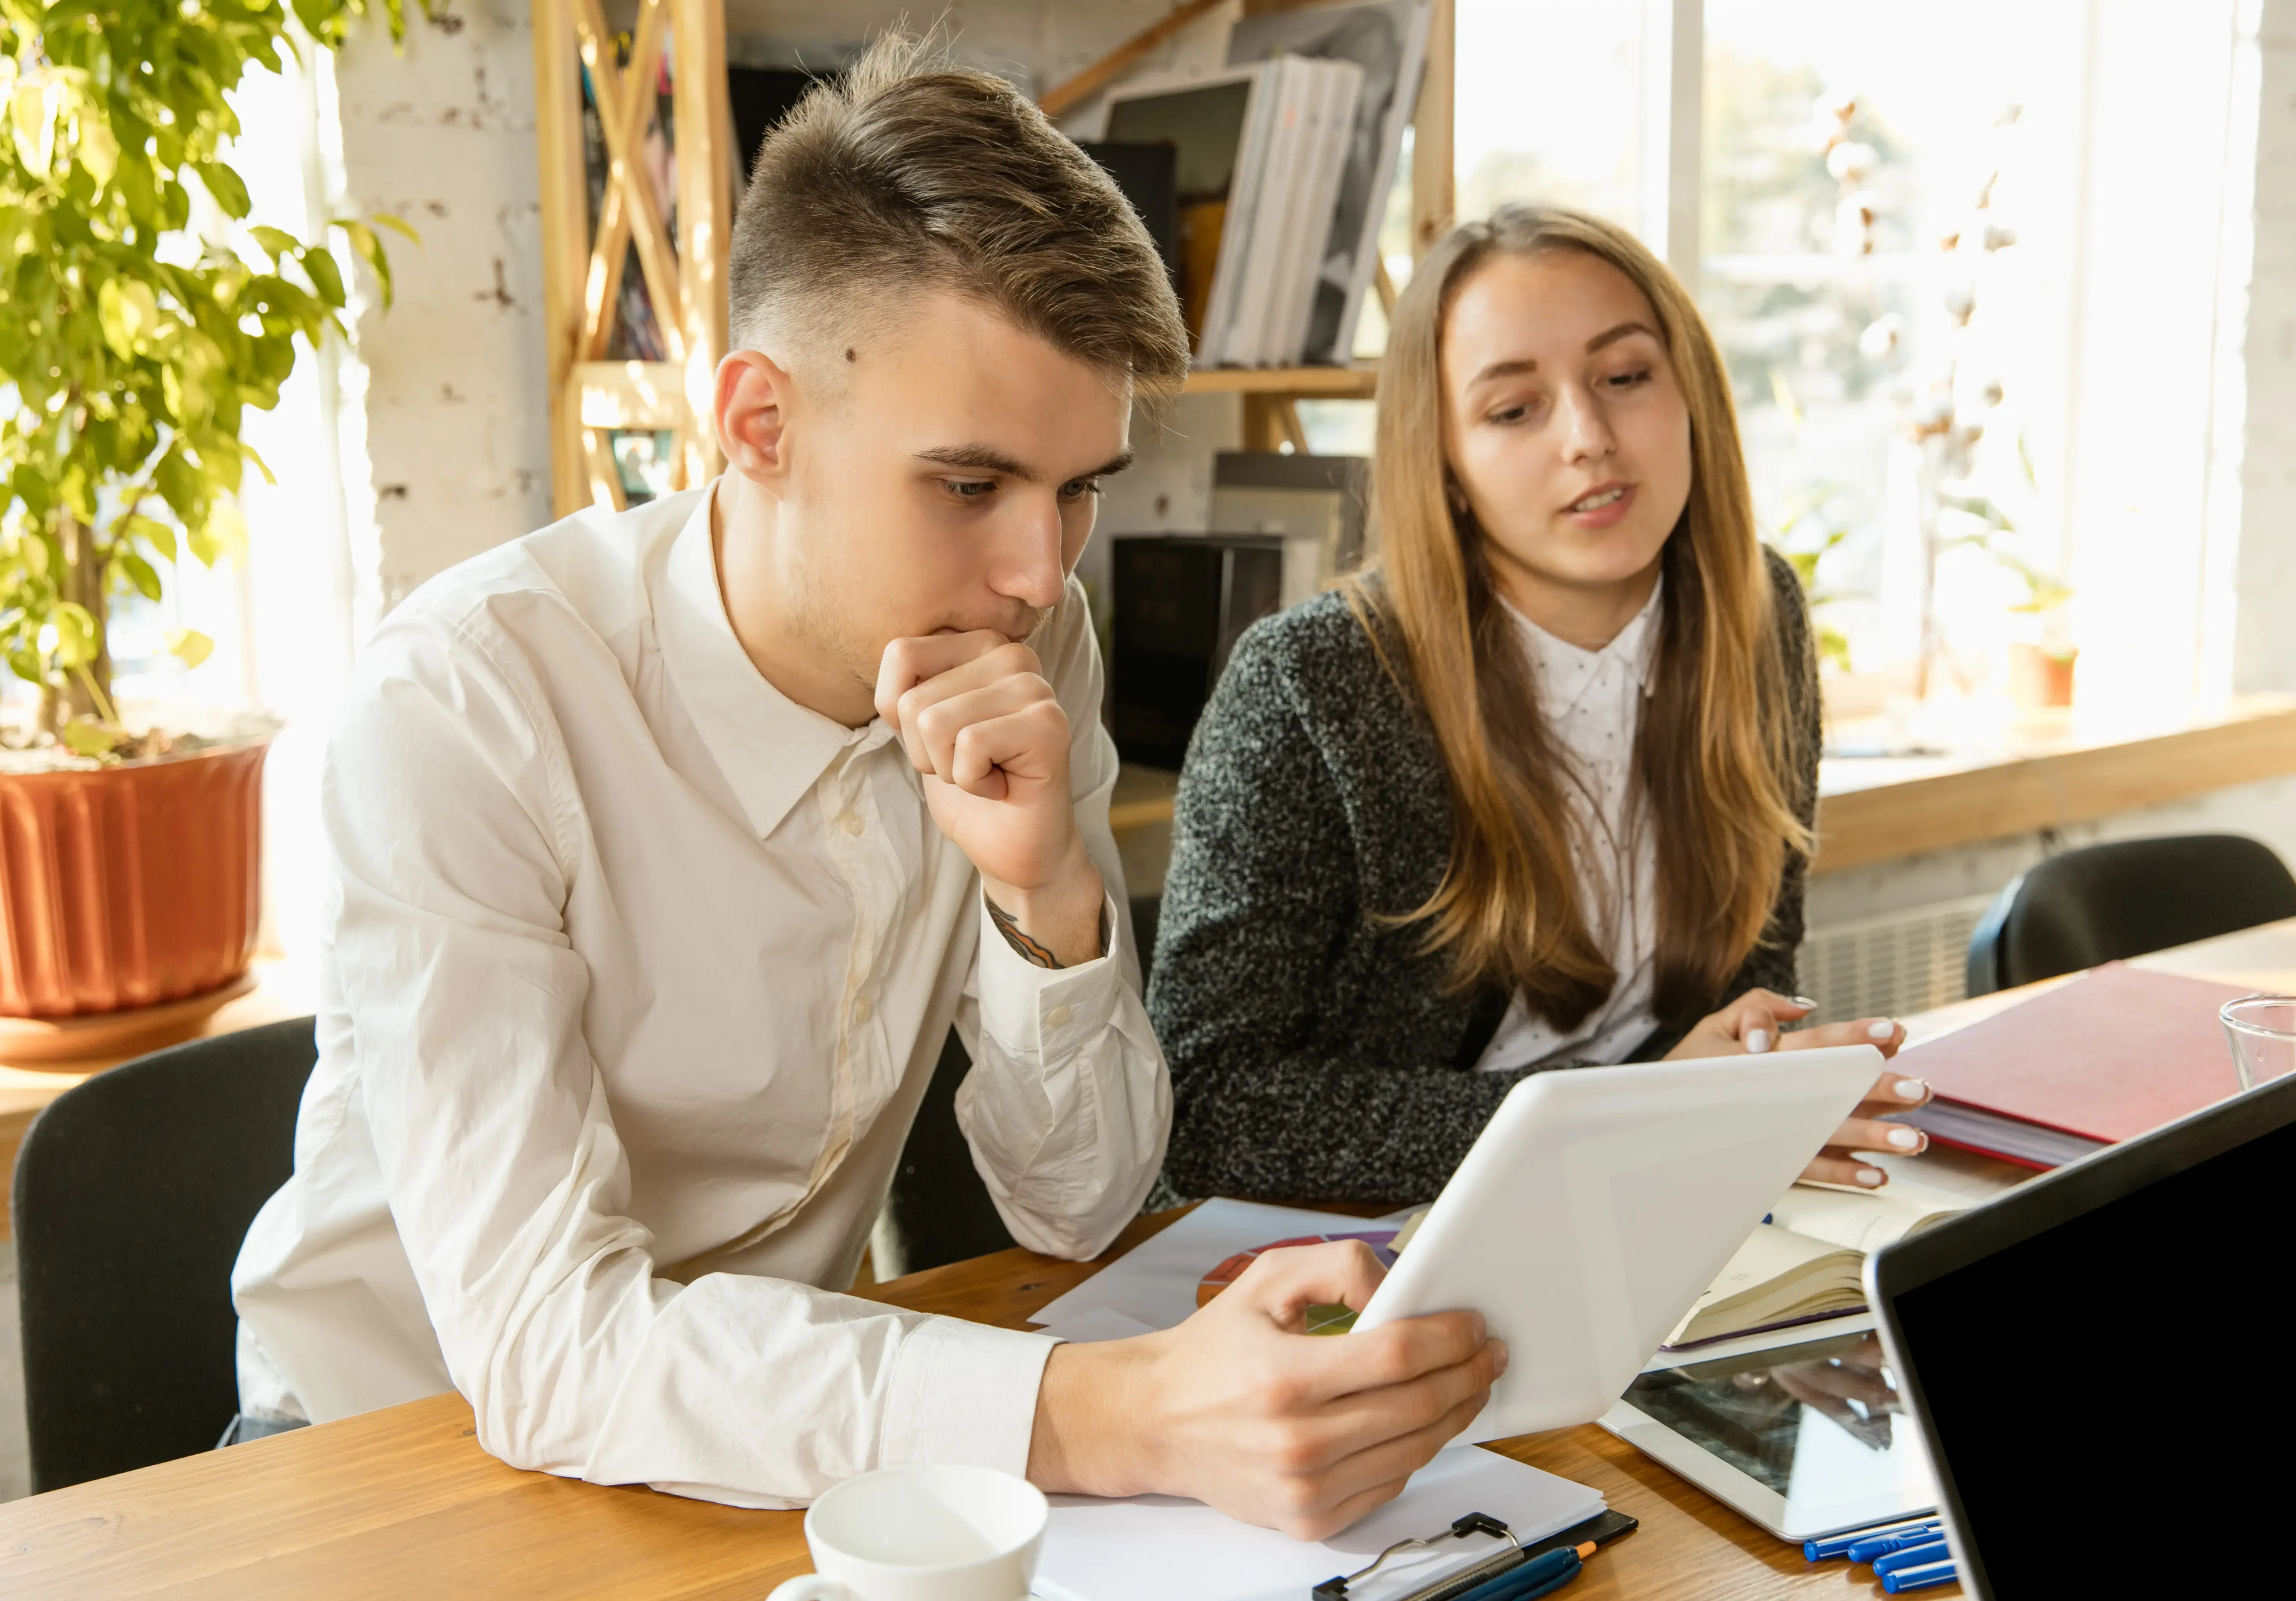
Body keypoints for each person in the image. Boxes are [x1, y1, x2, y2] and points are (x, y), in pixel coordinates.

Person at [229, 35, 1496, 1540]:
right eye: (969, 484)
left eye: (1079, 484)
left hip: (782, 1440)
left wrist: (1044, 892)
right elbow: (547, 1348)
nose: (1041, 567)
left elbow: (1078, 1209)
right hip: (394, 1466)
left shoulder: (1024, 635)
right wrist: (1107, 1411)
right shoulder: (463, 704)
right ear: (759, 425)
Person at [1148, 203, 1932, 1207]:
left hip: (1642, 1197)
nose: (1590, 438)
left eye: (1626, 377)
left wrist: (1748, 1088)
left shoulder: (1756, 612)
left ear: (1689, 391)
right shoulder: (1310, 683)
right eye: (1515, 410)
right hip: (1351, 1247)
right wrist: (1627, 1113)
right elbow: (1208, 1108)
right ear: (1450, 470)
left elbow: (1748, 975)